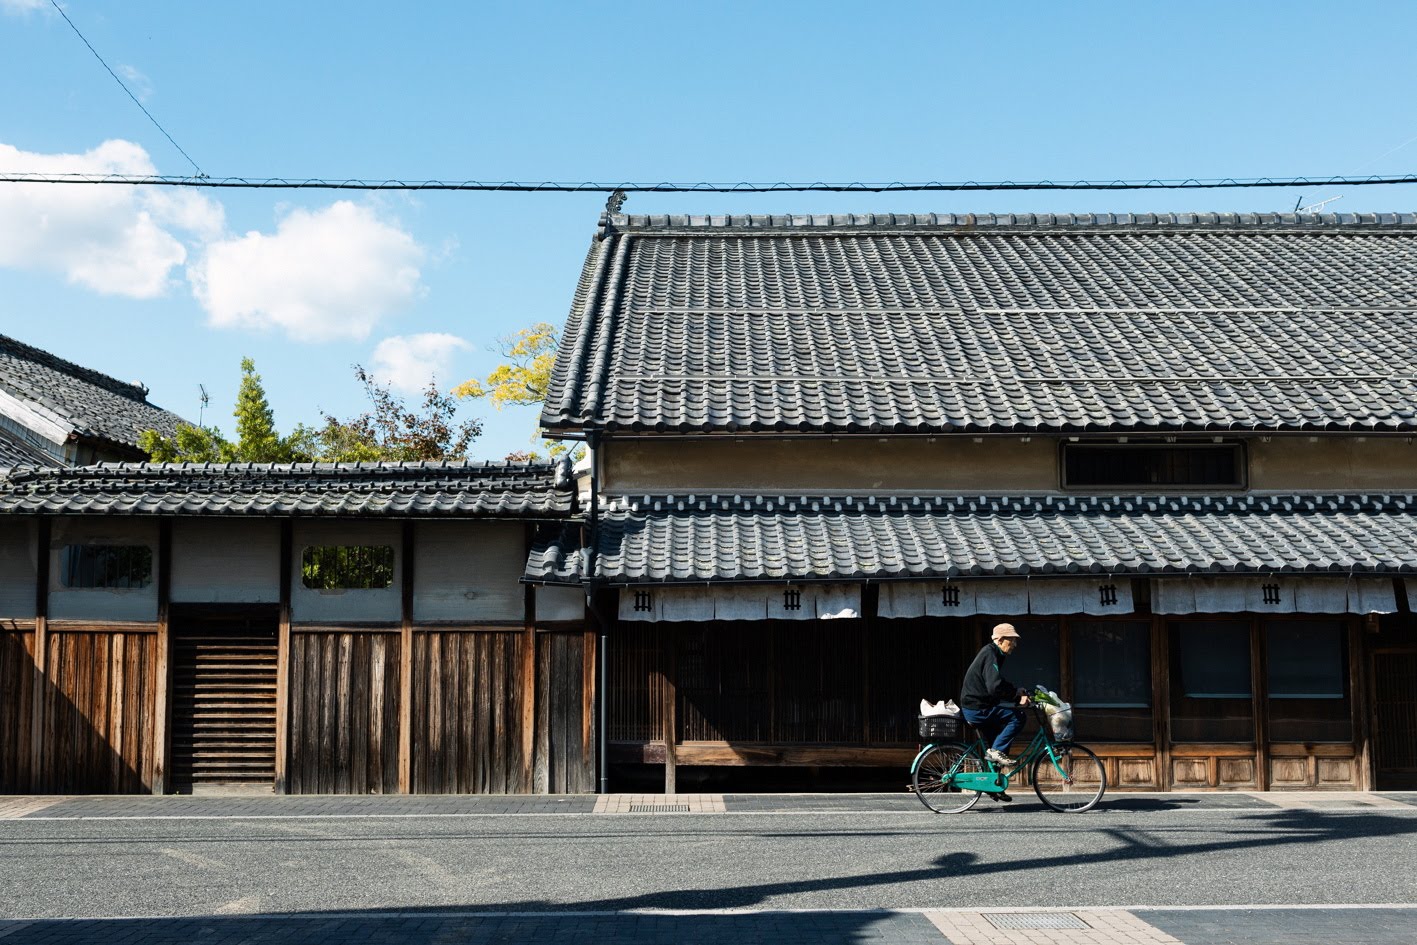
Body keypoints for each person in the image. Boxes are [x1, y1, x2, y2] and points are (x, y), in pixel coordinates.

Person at [960, 623, 1031, 793]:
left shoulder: (995, 653)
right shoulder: (990, 653)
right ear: (1000, 640)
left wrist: (1016, 690)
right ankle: (995, 752)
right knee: (1018, 717)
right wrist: (1015, 696)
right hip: (977, 708)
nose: (1014, 645)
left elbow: (996, 682)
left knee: (996, 744)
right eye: (1011, 640)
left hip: (978, 706)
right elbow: (994, 687)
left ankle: (993, 786)